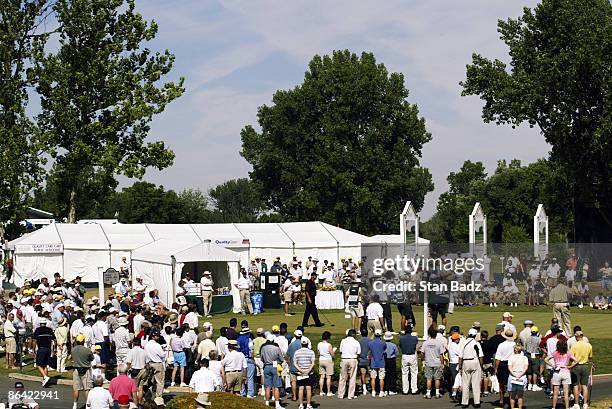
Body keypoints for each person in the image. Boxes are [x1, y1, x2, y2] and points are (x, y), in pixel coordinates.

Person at [545, 339, 577, 409]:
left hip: (557, 372)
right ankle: (567, 407)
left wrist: (553, 365)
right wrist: (570, 366)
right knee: (566, 393)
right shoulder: (568, 353)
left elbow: (546, 359)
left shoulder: (555, 353)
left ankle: (553, 407)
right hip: (566, 372)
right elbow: (576, 360)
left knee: (555, 392)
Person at [458, 328, 483, 408]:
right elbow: (481, 356)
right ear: (475, 335)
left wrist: (460, 367)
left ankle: (464, 402)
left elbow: (460, 357)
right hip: (475, 362)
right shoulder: (476, 343)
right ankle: (477, 402)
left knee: (465, 384)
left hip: (466, 362)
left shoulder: (463, 343)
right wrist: (481, 367)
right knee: (475, 384)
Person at [259, 333, 284, 409]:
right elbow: (281, 359)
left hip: (266, 366)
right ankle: (277, 404)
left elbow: (262, 359)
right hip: (275, 366)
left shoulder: (263, 348)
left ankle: (266, 404)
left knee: (267, 387)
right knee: (276, 386)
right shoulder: (276, 347)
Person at [420, 327, 445, 399]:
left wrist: (423, 360)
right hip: (437, 362)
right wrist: (442, 363)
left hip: (428, 362)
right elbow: (441, 355)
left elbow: (422, 353)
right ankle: (437, 393)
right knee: (437, 378)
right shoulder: (439, 343)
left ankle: (428, 393)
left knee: (429, 379)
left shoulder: (426, 342)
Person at [570, 330, 592, 409]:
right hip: (585, 366)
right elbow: (590, 357)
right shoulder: (588, 345)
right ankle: (585, 404)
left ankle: (577, 404)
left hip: (576, 366)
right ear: (582, 336)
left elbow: (571, 357)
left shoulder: (574, 345)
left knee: (575, 385)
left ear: (576, 337)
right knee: (584, 385)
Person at [494, 329, 516, 406]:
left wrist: (496, 368)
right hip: (512, 364)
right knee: (511, 383)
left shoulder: (501, 345)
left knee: (501, 384)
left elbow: (498, 358)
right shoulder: (514, 344)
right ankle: (511, 399)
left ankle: (501, 399)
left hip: (503, 364)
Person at [72, 334, 94, 409]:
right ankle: (88, 405)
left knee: (76, 389)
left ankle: (75, 404)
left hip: (76, 370)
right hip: (86, 369)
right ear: (83, 341)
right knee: (87, 389)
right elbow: (92, 358)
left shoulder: (73, 350)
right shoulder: (87, 350)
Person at [337, 328, 360, 400]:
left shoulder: (343, 341)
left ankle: (341, 394)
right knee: (352, 377)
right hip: (353, 359)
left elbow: (340, 351)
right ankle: (350, 395)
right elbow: (358, 353)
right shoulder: (356, 342)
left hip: (344, 359)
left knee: (342, 377)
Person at [32, 317, 55, 386]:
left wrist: (33, 349)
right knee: (45, 365)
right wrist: (54, 348)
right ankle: (45, 380)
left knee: (38, 364)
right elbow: (54, 340)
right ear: (45, 323)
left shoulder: (38, 330)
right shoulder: (50, 330)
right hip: (48, 348)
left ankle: (45, 377)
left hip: (41, 348)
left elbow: (34, 340)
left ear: (40, 323)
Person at [293, 338, 315, 409]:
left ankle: (301, 405)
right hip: (309, 373)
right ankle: (308, 404)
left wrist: (300, 370)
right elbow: (313, 363)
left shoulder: (297, 352)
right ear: (307, 344)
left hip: (300, 373)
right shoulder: (311, 352)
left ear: (301, 344)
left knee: (301, 388)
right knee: (308, 388)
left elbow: (295, 363)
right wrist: (308, 370)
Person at [144, 330, 166, 398]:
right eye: (157, 336)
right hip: (157, 364)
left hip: (150, 363)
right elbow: (162, 355)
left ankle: (150, 397)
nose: (158, 337)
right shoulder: (157, 345)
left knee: (151, 381)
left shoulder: (147, 345)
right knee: (160, 382)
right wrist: (163, 350)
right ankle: (158, 398)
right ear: (153, 336)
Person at [508, 344, 528, 409]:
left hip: (513, 376)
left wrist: (514, 374)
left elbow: (510, 367)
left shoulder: (511, 357)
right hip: (522, 376)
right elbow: (525, 367)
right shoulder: (525, 358)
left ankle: (512, 407)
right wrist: (520, 374)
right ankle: (520, 408)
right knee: (520, 396)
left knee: (512, 396)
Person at [399, 326, 419, 395]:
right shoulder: (414, 338)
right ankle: (414, 389)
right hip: (412, 355)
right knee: (414, 373)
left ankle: (405, 390)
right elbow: (415, 345)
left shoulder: (401, 338)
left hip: (405, 355)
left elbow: (401, 346)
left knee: (404, 373)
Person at [524, 325, 543, 391]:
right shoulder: (538, 339)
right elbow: (540, 348)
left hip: (528, 355)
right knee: (535, 371)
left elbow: (525, 347)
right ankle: (534, 385)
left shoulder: (528, 338)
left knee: (529, 371)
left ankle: (529, 384)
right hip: (535, 355)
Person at [368, 328, 386, 397]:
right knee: (381, 378)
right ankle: (381, 391)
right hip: (381, 362)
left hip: (373, 362)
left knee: (373, 378)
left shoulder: (370, 343)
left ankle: (373, 391)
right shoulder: (383, 343)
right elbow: (384, 349)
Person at [317, 331, 335, 396]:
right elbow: (332, 355)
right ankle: (328, 391)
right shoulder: (329, 345)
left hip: (321, 360)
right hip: (328, 360)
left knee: (322, 376)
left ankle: (321, 391)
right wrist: (334, 351)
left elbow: (318, 353)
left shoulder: (319, 344)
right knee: (328, 377)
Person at [383, 331, 399, 396]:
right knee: (392, 375)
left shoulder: (383, 345)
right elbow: (397, 353)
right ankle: (391, 389)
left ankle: (386, 389)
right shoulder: (393, 345)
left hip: (385, 360)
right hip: (392, 360)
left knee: (386, 375)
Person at [357, 328, 370, 395]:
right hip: (368, 360)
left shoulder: (358, 341)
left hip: (361, 360)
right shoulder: (370, 340)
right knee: (371, 374)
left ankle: (364, 389)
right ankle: (372, 387)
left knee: (363, 374)